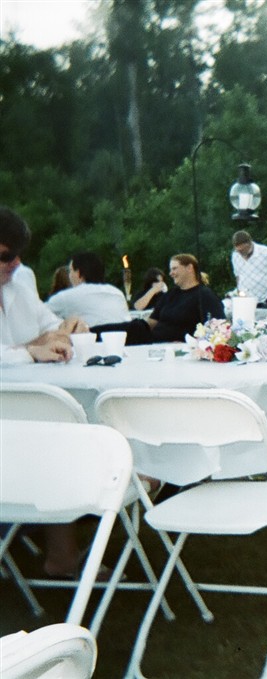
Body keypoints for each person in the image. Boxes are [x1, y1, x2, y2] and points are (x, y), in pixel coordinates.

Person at [0, 206, 89, 577]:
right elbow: (31, 346)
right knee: (57, 437)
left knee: (63, 425)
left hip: (23, 412)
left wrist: (68, 326)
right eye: (6, 255)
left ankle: (63, 551)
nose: (15, 264)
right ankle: (63, 555)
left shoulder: (19, 285)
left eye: (18, 255)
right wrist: (30, 350)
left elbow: (48, 326)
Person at [148, 253, 225, 342]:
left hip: (180, 346)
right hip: (153, 342)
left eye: (174, 268)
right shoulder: (170, 294)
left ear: (189, 268)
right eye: (170, 269)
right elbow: (152, 321)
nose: (170, 273)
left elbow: (217, 329)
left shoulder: (205, 295)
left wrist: (189, 343)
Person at [46, 252, 131, 327]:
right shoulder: (117, 293)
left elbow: (40, 314)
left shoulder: (67, 296)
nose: (69, 275)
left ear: (78, 273)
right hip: (124, 339)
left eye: (70, 271)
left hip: (90, 339)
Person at [230, 230, 267, 306]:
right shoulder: (235, 255)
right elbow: (238, 276)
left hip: (266, 300)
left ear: (249, 244)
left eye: (242, 250)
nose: (240, 253)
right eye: (238, 250)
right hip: (245, 300)